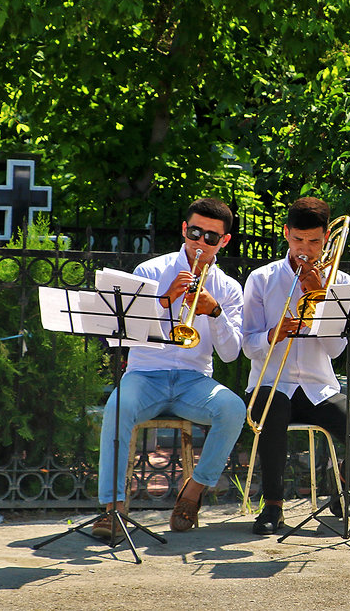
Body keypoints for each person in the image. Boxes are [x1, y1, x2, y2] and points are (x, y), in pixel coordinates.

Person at [94, 197, 247, 542]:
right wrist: (164, 300)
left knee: (233, 409)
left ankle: (193, 491)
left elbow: (230, 353)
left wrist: (215, 312)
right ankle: (114, 508)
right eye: (195, 233)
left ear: (223, 241)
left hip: (195, 381)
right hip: (146, 374)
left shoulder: (229, 288)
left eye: (211, 237)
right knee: (117, 409)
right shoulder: (150, 272)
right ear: (184, 229)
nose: (200, 243)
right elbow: (126, 337)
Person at [242, 197, 350, 535]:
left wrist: (322, 301)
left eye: (315, 242)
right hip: (271, 381)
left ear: (327, 239)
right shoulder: (262, 279)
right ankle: (273, 505)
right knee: (274, 412)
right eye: (298, 240)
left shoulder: (341, 282)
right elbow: (248, 346)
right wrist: (273, 334)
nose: (305, 249)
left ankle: (339, 489)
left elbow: (334, 349)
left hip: (319, 385)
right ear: (286, 234)